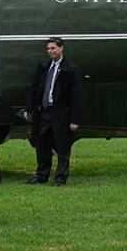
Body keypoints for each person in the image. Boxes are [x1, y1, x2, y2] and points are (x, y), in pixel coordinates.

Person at [29, 36, 81, 185]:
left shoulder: (70, 69)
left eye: (53, 48)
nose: (50, 51)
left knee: (62, 146)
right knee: (42, 145)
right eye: (48, 49)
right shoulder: (44, 67)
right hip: (44, 112)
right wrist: (32, 108)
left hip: (61, 114)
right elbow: (35, 88)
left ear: (61, 48)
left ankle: (61, 177)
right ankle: (41, 175)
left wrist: (75, 119)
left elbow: (76, 96)